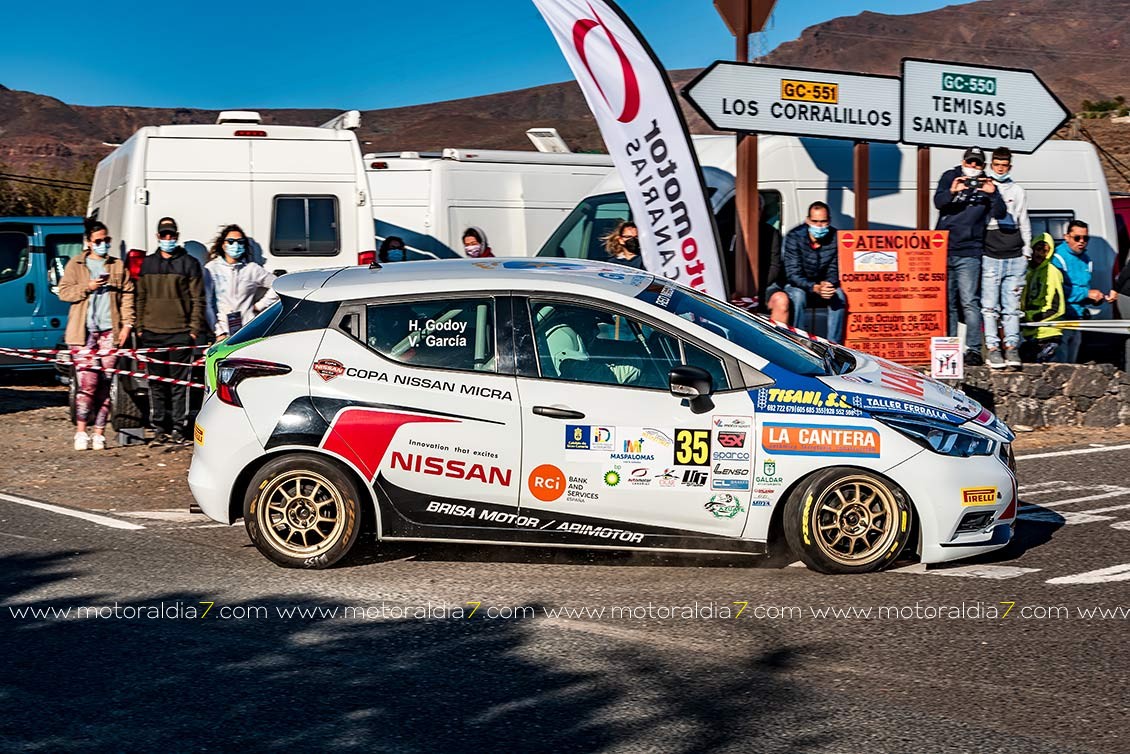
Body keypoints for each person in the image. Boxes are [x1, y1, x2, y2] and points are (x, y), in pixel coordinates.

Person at [57, 219, 134, 450]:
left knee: (105, 384)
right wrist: (87, 287)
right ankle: (81, 431)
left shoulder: (117, 265)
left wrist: (127, 325)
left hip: (110, 332)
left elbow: (128, 294)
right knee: (87, 384)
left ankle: (99, 433)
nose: (103, 244)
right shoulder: (76, 264)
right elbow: (64, 292)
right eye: (98, 241)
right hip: (82, 333)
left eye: (106, 240)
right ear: (89, 242)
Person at [135, 217, 207, 444]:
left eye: (172, 235)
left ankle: (178, 428)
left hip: (181, 334)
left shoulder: (189, 263)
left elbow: (198, 299)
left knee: (179, 386)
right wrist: (139, 327)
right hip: (152, 334)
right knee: (156, 384)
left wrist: (193, 330)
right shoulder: (147, 264)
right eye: (164, 235)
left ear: (177, 236)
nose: (168, 238)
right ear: (158, 236)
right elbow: (140, 297)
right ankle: (159, 428)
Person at [935, 146, 1007, 366]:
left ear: (983, 166)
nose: (973, 166)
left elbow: (1000, 213)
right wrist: (953, 191)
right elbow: (938, 202)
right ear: (963, 161)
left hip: (970, 251)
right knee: (948, 302)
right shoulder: (950, 176)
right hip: (943, 249)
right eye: (970, 162)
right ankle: (949, 350)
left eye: (977, 163)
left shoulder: (988, 184)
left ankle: (973, 349)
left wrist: (992, 194)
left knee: (969, 301)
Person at [981, 146, 1032, 369]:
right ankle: (993, 348)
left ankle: (1012, 346)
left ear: (1009, 166)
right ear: (991, 165)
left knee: (1011, 306)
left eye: (1004, 165)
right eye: (997, 165)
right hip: (991, 253)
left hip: (1015, 253)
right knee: (989, 306)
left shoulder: (1018, 190)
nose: (1000, 169)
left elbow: (1023, 219)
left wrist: (1027, 250)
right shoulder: (984, 187)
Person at [782, 201, 846, 343]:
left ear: (829, 221)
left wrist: (828, 284)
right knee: (798, 296)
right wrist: (815, 287)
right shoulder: (794, 237)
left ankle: (834, 344)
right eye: (815, 221)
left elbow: (835, 268)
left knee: (839, 295)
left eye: (823, 221)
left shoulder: (835, 237)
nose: (819, 226)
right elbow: (793, 274)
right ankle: (798, 341)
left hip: (823, 286)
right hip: (799, 285)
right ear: (808, 220)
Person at [203, 224, 278, 341]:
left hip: (248, 330)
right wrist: (218, 331)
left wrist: (260, 306)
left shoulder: (252, 269)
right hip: (223, 333)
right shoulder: (211, 269)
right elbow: (207, 303)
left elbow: (278, 285)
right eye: (231, 241)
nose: (236, 245)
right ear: (223, 245)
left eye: (240, 242)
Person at [1050, 220, 1105, 362]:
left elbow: (1083, 287)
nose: (1081, 241)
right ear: (1066, 237)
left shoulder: (1086, 259)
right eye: (1077, 238)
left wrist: (1095, 299)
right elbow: (1057, 291)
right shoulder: (1057, 258)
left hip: (1078, 317)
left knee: (1072, 362)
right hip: (1061, 318)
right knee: (1061, 363)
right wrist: (1086, 294)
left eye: (1085, 238)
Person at [1021, 233, 1065, 364]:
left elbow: (1057, 308)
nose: (1041, 254)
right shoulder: (1027, 271)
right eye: (1038, 249)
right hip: (1029, 333)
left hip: (1048, 334)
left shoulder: (1053, 272)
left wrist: (1031, 317)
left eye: (1045, 250)